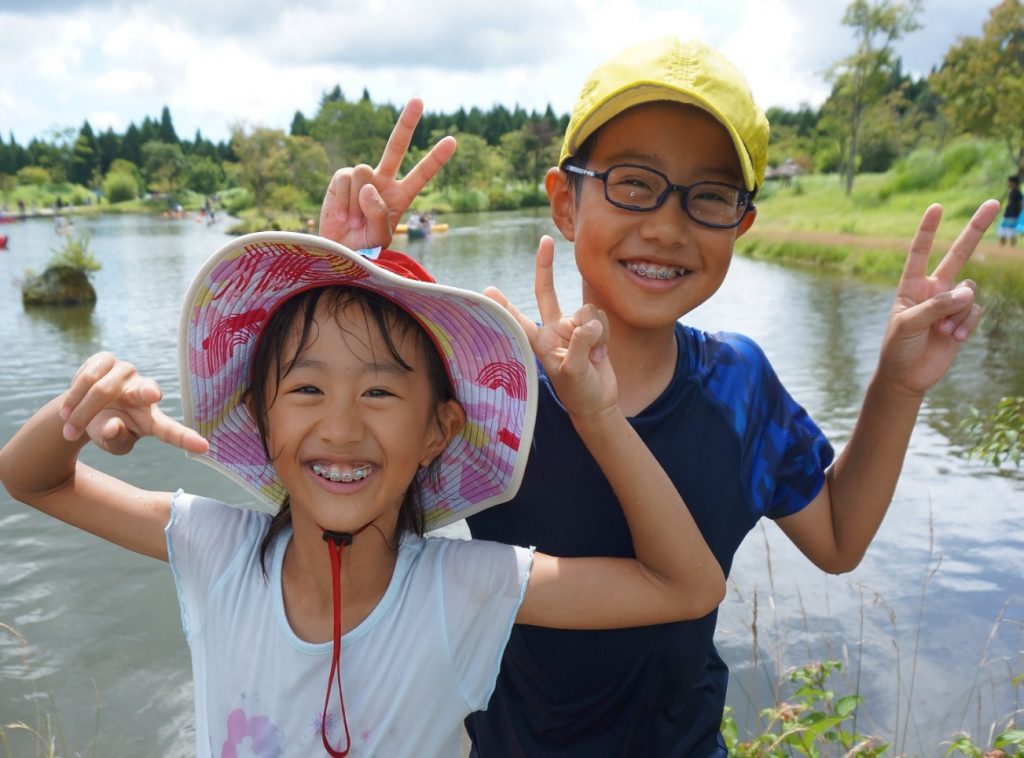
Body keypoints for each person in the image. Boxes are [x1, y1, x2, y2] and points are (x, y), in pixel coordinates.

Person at [318, 37, 1001, 756]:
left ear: (740, 225)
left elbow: (836, 541)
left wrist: (896, 385)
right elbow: (330, 511)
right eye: (634, 184)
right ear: (565, 202)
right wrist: (347, 277)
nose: (667, 226)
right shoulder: (489, 383)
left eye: (708, 197)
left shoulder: (740, 389)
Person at [0, 229, 726, 756]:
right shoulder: (214, 548)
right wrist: (79, 411)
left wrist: (595, 413)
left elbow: (686, 588)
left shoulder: (467, 588)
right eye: (306, 387)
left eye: (380, 390)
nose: (341, 426)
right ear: (258, 413)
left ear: (439, 431)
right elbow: (29, 477)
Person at [999, 174, 1021, 246]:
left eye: (1010, 182)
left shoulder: (1018, 193)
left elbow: (1021, 204)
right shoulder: (1010, 192)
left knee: (1012, 231)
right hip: (1007, 214)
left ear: (1014, 183)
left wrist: (1017, 214)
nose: (1009, 184)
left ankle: (1012, 247)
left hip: (1013, 214)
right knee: (1003, 230)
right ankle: (1002, 246)